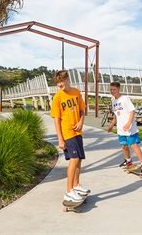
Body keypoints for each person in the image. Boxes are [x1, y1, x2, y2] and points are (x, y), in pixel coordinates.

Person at [50, 70, 91, 202]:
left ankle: (76, 186)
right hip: (67, 132)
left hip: (77, 131)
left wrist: (81, 122)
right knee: (73, 159)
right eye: (58, 85)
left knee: (79, 159)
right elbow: (56, 120)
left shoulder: (76, 92)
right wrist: (60, 139)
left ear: (67, 79)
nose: (59, 87)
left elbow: (82, 110)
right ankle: (69, 191)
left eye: (61, 84)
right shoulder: (57, 97)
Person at [107, 81, 142, 174]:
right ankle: (128, 160)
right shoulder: (113, 102)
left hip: (130, 128)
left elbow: (132, 111)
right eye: (111, 90)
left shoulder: (125, 99)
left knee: (134, 145)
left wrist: (128, 123)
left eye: (114, 89)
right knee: (124, 146)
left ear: (118, 89)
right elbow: (116, 115)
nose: (112, 91)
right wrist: (111, 125)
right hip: (120, 128)